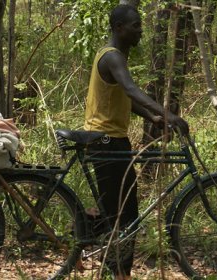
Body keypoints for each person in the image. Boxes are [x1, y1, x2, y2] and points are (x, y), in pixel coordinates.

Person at [83, 4, 188, 279]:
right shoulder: (113, 57)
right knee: (123, 216)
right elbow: (130, 89)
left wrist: (153, 118)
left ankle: (103, 259)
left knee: (121, 213)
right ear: (119, 28)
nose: (140, 30)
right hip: (104, 141)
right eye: (135, 26)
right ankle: (112, 267)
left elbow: (123, 98)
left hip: (113, 140)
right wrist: (169, 115)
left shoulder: (114, 57)